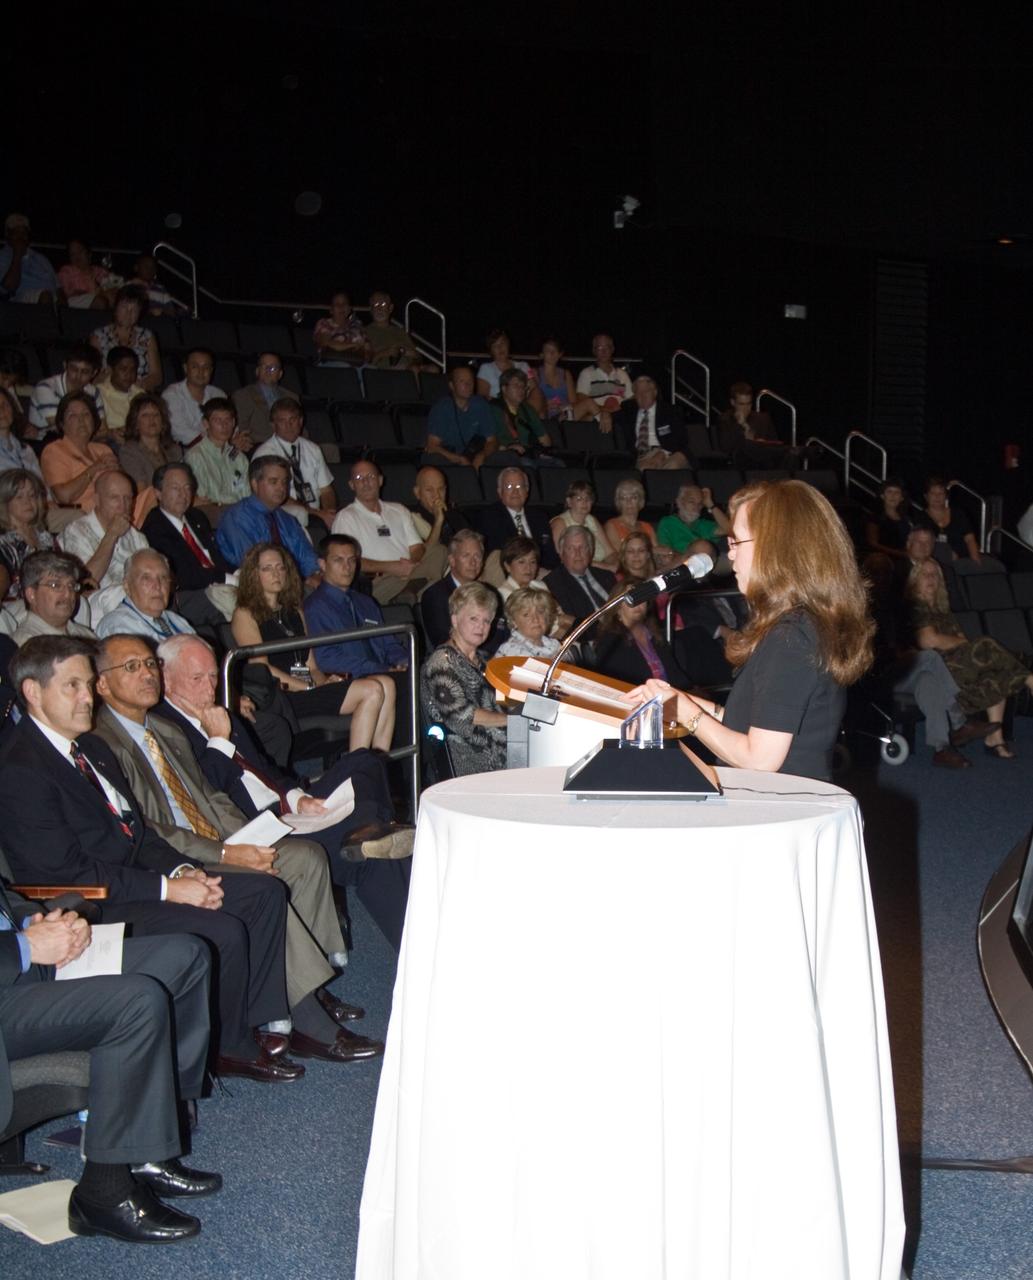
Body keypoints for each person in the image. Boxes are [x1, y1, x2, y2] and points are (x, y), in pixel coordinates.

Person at [0, 635, 301, 1084]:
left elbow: (137, 832)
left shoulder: (90, 748)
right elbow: (65, 873)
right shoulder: (21, 768)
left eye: (88, 683)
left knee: (262, 892)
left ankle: (242, 1024)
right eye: (73, 686)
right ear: (32, 693)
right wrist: (169, 889)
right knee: (221, 926)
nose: (88, 697)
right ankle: (225, 1049)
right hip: (84, 904)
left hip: (133, 878)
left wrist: (185, 870)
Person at [90, 632, 382, 1065]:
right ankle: (308, 1020)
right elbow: (147, 830)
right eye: (131, 667)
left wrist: (251, 834)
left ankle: (307, 988)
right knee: (262, 883)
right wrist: (226, 853)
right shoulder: (103, 742)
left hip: (216, 834)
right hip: (174, 856)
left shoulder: (163, 728)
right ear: (102, 684)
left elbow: (210, 795)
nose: (146, 674)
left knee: (303, 857)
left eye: (148, 664)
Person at [157, 633, 415, 946]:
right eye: (196, 678)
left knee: (365, 761)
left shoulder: (221, 713)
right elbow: (203, 792)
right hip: (257, 827)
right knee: (381, 858)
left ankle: (370, 831)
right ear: (166, 680)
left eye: (213, 676)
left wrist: (297, 798)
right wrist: (219, 741)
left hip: (288, 811)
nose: (209, 687)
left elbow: (267, 770)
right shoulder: (166, 730)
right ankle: (372, 835)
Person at [1, 883, 220, 1242]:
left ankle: (147, 1149)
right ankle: (103, 1193)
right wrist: (25, 946)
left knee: (186, 955)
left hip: (25, 965)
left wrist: (39, 920)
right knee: (137, 1002)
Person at [624, 479, 875, 781]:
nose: (729, 555)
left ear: (775, 549)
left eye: (736, 543)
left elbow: (759, 758)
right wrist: (676, 698)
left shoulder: (792, 636)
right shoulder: (797, 624)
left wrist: (684, 713)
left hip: (778, 808)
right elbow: (748, 721)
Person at [233, 541, 395, 752]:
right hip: (282, 696)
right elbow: (262, 670)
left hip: (308, 689)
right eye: (268, 568)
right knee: (372, 689)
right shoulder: (245, 614)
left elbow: (312, 666)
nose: (277, 574)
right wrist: (312, 687)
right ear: (253, 575)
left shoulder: (294, 612)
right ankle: (358, 767)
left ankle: (379, 759)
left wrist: (325, 681)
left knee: (387, 684)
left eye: (281, 567)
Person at [906, 557, 1033, 759]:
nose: (931, 578)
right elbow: (928, 641)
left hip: (955, 668)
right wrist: (959, 644)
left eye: (935, 575)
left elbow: (958, 640)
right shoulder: (914, 606)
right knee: (985, 645)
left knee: (996, 671)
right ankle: (1029, 680)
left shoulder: (942, 611)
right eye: (925, 574)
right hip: (932, 671)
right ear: (914, 580)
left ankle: (995, 739)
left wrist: (955, 643)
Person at [420, 581, 508, 775]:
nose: (481, 626)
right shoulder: (441, 664)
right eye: (473, 619)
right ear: (454, 620)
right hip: (468, 756)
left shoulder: (484, 661)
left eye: (486, 621)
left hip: (501, 745)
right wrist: (512, 720)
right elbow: (462, 718)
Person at [330, 458, 446, 603]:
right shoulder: (346, 517)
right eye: (359, 478)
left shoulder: (398, 510)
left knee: (439, 551)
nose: (366, 482)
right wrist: (392, 567)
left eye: (371, 477)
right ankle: (418, 590)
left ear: (380, 480)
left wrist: (411, 564)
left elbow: (417, 547)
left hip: (410, 572)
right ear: (351, 485)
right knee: (435, 587)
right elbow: (346, 561)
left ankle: (411, 590)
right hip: (377, 581)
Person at [141, 462, 236, 627]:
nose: (183, 494)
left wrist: (237, 574)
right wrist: (228, 579)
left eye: (187, 488)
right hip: (188, 595)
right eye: (175, 488)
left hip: (217, 585)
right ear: (158, 493)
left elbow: (215, 556)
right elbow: (183, 575)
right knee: (245, 604)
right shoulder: (155, 527)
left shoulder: (196, 517)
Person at [216, 456, 321, 583]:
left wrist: (313, 575)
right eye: (273, 481)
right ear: (255, 484)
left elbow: (305, 555)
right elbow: (252, 565)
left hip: (293, 584)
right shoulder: (236, 517)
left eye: (284, 482)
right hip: (256, 588)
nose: (281, 488)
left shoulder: (286, 518)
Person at [61, 470, 148, 619]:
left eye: (128, 498)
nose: (123, 505)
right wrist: (111, 535)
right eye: (114, 498)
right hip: (95, 607)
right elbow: (85, 582)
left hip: (137, 606)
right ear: (97, 499)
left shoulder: (137, 537)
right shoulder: (77, 530)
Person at [252, 398, 336, 529]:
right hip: (281, 511)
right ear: (273, 425)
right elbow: (276, 495)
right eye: (282, 421)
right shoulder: (265, 454)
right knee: (300, 513)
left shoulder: (313, 449)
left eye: (293, 420)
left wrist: (329, 512)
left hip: (316, 513)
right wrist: (317, 513)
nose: (289, 425)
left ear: (301, 421)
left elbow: (326, 490)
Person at [420, 528, 503, 651]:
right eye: (466, 556)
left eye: (478, 556)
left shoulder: (489, 592)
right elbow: (442, 640)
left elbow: (500, 630)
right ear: (452, 560)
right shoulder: (435, 595)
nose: (473, 562)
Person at [39, 392, 118, 514]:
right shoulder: (54, 451)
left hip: (115, 508)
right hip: (82, 517)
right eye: (73, 416)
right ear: (62, 424)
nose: (81, 420)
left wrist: (119, 471)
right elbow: (64, 497)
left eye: (86, 414)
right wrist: (94, 468)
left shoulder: (103, 449)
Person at [589, 589, 687, 687]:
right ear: (618, 607)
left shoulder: (655, 633)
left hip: (669, 693)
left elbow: (675, 674)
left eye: (641, 599)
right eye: (631, 599)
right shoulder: (610, 641)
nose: (637, 603)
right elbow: (614, 682)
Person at [95, 549, 194, 639]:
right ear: (127, 586)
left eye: (163, 577)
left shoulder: (177, 620)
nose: (157, 585)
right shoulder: (117, 627)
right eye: (146, 578)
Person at [475, 465, 557, 570]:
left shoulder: (539, 517)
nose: (515, 492)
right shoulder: (489, 517)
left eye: (519, 487)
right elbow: (495, 556)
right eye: (509, 487)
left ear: (527, 491)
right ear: (500, 492)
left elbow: (550, 554)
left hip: (540, 572)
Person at [185, 397, 251, 515]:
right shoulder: (196, 456)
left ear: (234, 423)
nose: (224, 425)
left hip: (239, 514)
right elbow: (203, 500)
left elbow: (246, 496)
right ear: (206, 423)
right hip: (212, 514)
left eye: (228, 420)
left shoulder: (239, 458)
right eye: (217, 420)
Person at [90, 285, 162, 392]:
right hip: (107, 392)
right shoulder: (98, 336)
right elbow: (93, 375)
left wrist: (143, 384)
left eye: (134, 309)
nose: (129, 313)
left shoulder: (147, 336)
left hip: (138, 392)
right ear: (115, 308)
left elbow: (157, 376)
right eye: (124, 307)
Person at [13, 551, 96, 644]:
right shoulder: (26, 645)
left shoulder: (87, 636)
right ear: (31, 594)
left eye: (71, 585)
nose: (68, 594)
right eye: (55, 585)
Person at [0, 469, 56, 603]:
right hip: (16, 606)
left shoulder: (45, 538)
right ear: (4, 502)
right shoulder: (3, 543)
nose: (28, 502)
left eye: (32, 495)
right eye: (19, 497)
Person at [614, 374, 691, 470]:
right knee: (646, 468)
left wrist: (663, 453)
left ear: (655, 392)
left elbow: (681, 439)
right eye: (638, 392)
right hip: (643, 455)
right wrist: (605, 414)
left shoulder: (670, 411)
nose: (643, 396)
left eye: (646, 391)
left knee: (674, 465)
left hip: (668, 452)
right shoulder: (628, 410)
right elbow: (612, 416)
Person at [543, 525, 617, 625]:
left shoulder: (607, 576)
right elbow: (573, 624)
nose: (577, 553)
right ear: (561, 553)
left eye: (582, 547)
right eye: (571, 548)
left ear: (590, 551)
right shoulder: (553, 584)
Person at [487, 367, 560, 467]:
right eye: (516, 386)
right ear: (504, 388)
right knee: (527, 464)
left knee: (558, 464)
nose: (521, 390)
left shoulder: (527, 409)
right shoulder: (493, 409)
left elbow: (543, 437)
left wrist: (547, 452)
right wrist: (507, 447)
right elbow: (490, 442)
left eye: (523, 386)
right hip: (506, 455)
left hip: (529, 453)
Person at [424, 365, 494, 468]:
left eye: (470, 381)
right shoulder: (442, 408)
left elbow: (492, 441)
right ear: (452, 386)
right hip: (449, 457)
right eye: (462, 381)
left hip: (475, 455)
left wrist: (482, 455)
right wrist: (459, 459)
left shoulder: (481, 404)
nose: (468, 384)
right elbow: (432, 446)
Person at [28, 346, 106, 438]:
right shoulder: (46, 388)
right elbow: (64, 430)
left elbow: (103, 430)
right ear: (65, 366)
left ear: (94, 373)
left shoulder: (94, 392)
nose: (78, 376)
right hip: (48, 444)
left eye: (85, 372)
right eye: (74, 369)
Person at [118, 393, 184, 495]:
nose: (152, 419)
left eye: (156, 414)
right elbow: (142, 491)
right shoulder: (129, 451)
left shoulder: (175, 450)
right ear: (135, 424)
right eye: (145, 415)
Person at [232, 352, 301, 445]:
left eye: (273, 368)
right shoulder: (243, 395)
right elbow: (241, 427)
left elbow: (299, 426)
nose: (268, 370)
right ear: (257, 371)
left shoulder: (292, 397)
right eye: (264, 367)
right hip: (258, 444)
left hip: (289, 444)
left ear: (280, 374)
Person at [162, 349, 227, 447]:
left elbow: (229, 425)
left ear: (211, 371)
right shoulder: (171, 395)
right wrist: (216, 443)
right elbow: (181, 433)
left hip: (219, 448)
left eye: (206, 367)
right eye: (195, 367)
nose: (201, 372)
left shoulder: (219, 395)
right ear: (185, 368)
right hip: (184, 452)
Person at [715, 381, 787, 468]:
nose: (745, 408)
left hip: (765, 458)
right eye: (741, 404)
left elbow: (774, 443)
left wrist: (762, 443)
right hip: (742, 460)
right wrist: (740, 425)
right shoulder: (725, 419)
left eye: (748, 404)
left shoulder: (763, 418)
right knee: (748, 447)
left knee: (789, 453)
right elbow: (726, 447)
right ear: (733, 402)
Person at [549, 479, 617, 569]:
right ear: (569, 502)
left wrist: (613, 565)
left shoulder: (592, 520)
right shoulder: (559, 523)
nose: (584, 502)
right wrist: (604, 566)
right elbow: (563, 559)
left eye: (588, 498)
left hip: (602, 571)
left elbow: (611, 553)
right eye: (579, 499)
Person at [574, 333, 633, 433]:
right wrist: (605, 410)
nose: (604, 351)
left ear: (612, 349)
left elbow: (631, 400)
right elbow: (581, 399)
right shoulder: (587, 373)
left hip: (619, 418)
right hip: (596, 418)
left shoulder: (622, 374)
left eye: (607, 347)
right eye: (600, 347)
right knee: (589, 418)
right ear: (594, 350)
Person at [528, 336, 595, 423]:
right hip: (544, 415)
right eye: (548, 350)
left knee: (589, 407)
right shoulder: (534, 372)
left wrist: (563, 407)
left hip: (564, 414)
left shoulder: (565, 374)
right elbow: (531, 400)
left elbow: (573, 402)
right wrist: (545, 404)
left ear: (560, 354)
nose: (552, 353)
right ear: (542, 354)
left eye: (555, 351)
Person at [916, 476, 981, 563]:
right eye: (933, 493)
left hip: (962, 563)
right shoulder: (920, 518)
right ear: (926, 496)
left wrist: (975, 561)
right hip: (934, 564)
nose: (937, 497)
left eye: (941, 493)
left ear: (946, 496)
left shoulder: (958, 514)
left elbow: (970, 539)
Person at [364, 291, 434, 370]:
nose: (379, 308)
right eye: (376, 305)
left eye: (383, 304)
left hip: (409, 368)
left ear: (390, 308)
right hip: (384, 371)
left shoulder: (400, 331)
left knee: (433, 369)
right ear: (371, 309)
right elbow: (366, 362)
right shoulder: (365, 332)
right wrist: (386, 352)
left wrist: (406, 353)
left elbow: (418, 357)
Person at [656, 483, 730, 558]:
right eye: (692, 502)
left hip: (704, 564)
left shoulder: (703, 524)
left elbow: (728, 529)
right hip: (679, 564)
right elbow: (665, 553)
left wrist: (710, 504)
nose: (696, 507)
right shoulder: (668, 523)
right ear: (679, 502)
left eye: (700, 503)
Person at [0, 212, 57, 305]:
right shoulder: (2, 256)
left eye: (24, 232)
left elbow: (58, 285)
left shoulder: (40, 258)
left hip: (52, 299)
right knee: (45, 296)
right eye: (16, 232)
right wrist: (17, 255)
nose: (20, 237)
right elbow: (8, 287)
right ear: (7, 235)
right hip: (21, 303)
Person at [495, 587, 562, 660]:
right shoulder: (511, 649)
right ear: (514, 621)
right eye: (526, 615)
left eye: (540, 612)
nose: (536, 619)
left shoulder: (554, 644)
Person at [95, 347, 147, 438]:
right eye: (123, 369)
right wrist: (112, 433)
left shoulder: (140, 394)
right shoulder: (98, 394)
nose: (129, 374)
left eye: (133, 370)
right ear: (110, 370)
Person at [56, 237, 117, 309]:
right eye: (72, 254)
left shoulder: (99, 271)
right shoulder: (66, 271)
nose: (76, 256)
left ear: (89, 254)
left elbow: (112, 284)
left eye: (79, 251)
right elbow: (64, 293)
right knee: (100, 301)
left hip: (97, 298)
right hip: (75, 302)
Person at [865, 477, 915, 563]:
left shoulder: (907, 519)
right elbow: (873, 544)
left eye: (897, 492)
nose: (893, 496)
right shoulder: (875, 518)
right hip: (883, 562)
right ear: (882, 495)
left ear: (902, 497)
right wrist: (900, 553)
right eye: (889, 492)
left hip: (905, 560)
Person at [313, 291, 370, 366]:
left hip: (356, 363)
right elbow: (326, 343)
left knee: (371, 369)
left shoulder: (357, 325)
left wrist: (364, 351)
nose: (341, 307)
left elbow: (367, 351)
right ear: (331, 310)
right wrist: (353, 345)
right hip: (330, 363)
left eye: (344, 304)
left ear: (349, 309)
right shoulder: (324, 323)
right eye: (337, 304)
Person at [603, 476, 657, 550]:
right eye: (624, 498)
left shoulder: (647, 527)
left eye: (634, 497)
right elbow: (617, 555)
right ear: (619, 502)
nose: (629, 502)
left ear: (640, 501)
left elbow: (656, 552)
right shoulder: (612, 525)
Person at [476, 328, 530, 401]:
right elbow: (482, 397)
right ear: (490, 350)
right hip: (497, 409)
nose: (500, 348)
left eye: (502, 343)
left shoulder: (524, 366)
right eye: (495, 346)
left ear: (508, 344)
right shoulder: (486, 369)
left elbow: (534, 389)